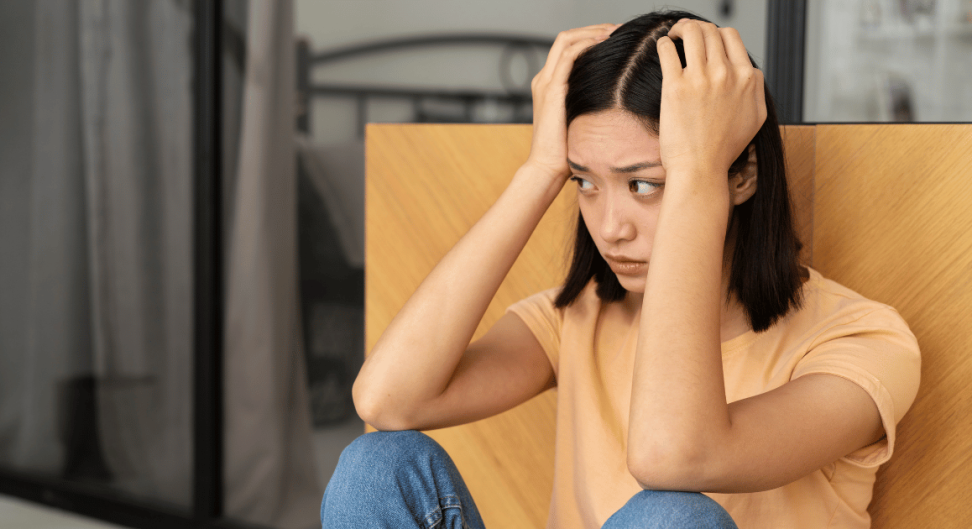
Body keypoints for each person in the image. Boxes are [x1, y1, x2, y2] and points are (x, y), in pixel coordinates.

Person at [322, 10, 920, 529]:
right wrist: (539, 171)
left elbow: (674, 457)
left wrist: (695, 177)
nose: (610, 227)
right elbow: (387, 399)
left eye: (644, 184)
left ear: (741, 177)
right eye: (585, 182)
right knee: (377, 468)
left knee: (671, 518)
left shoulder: (861, 343)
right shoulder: (579, 316)